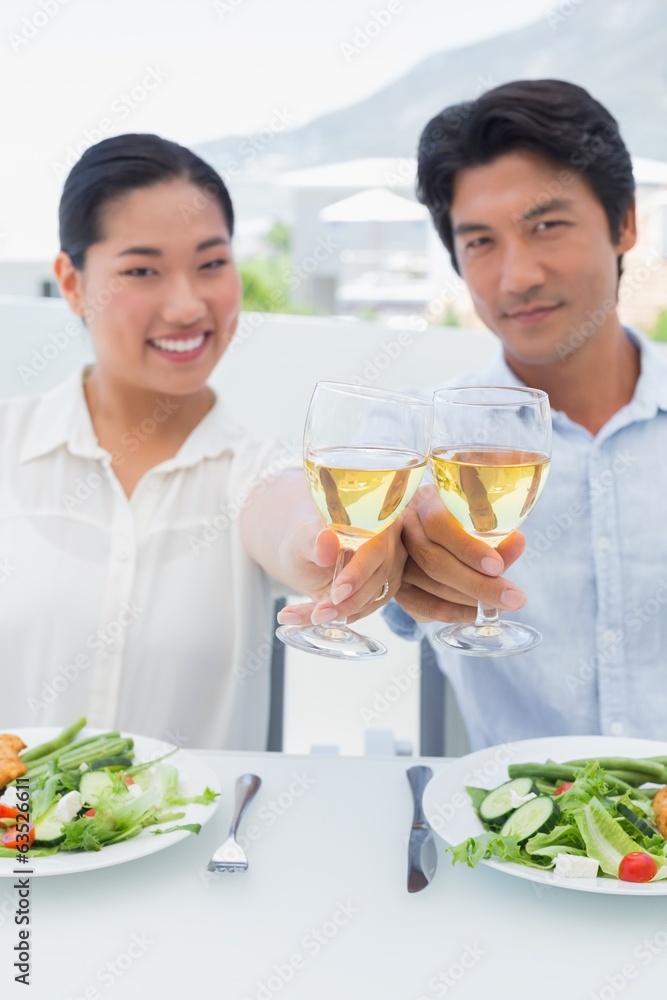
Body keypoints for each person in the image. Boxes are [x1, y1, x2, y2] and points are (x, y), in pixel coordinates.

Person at [0, 133, 404, 749]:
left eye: (211, 263)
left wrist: (329, 554)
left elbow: (292, 519)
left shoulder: (252, 470)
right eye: (142, 270)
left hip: (194, 843)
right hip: (18, 833)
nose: (188, 305)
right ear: (74, 283)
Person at [385, 79, 667, 750]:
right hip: (518, 846)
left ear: (623, 222)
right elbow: (296, 503)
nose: (516, 277)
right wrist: (389, 545)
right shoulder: (429, 439)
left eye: (546, 225)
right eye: (480, 241)